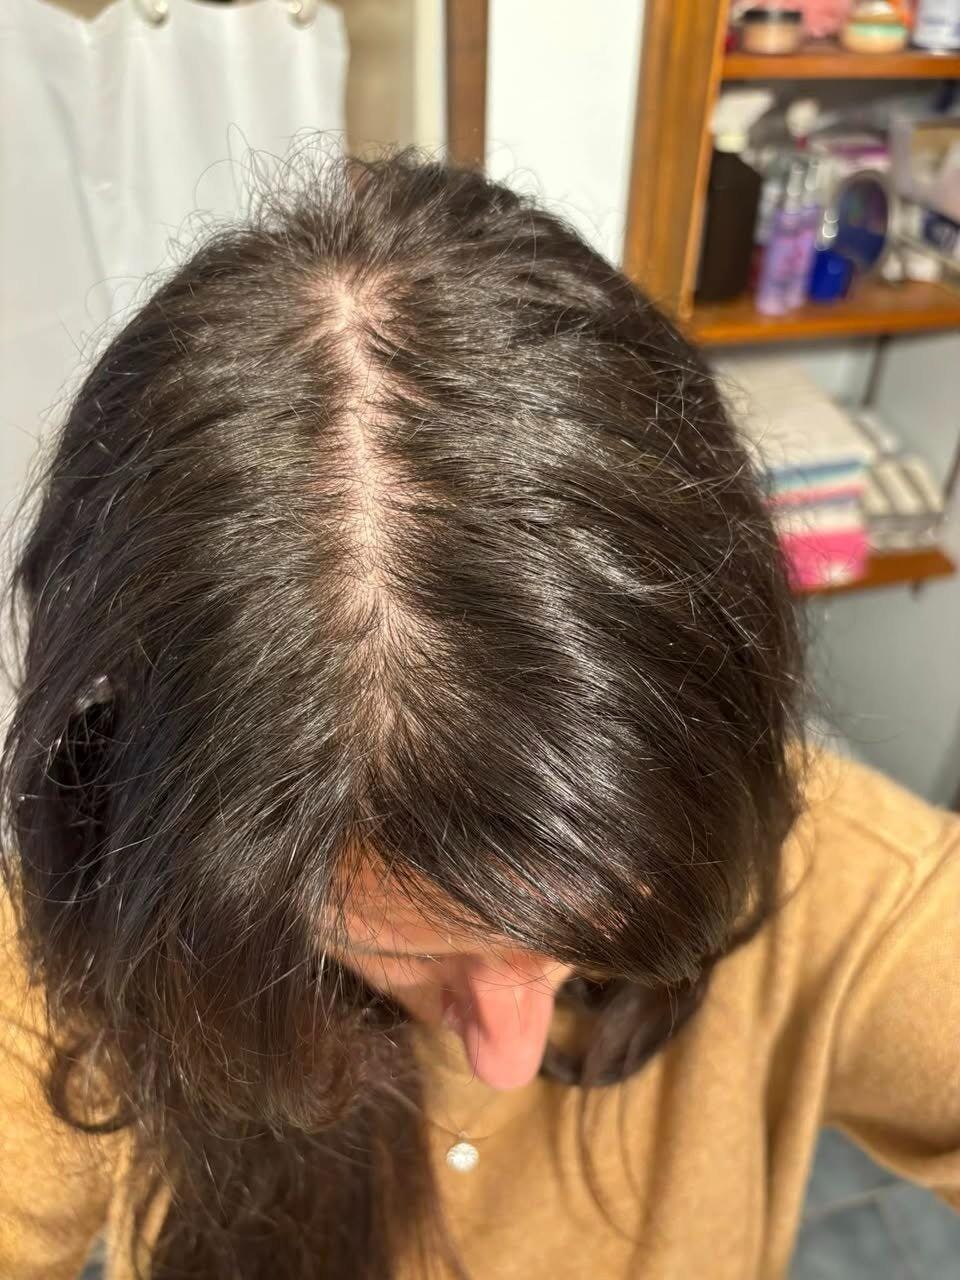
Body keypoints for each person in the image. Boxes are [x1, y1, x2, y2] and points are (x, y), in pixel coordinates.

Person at [0, 147, 957, 1280]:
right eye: (397, 948)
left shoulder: (844, 885)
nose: (509, 1052)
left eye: (586, 931)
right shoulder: (82, 958)